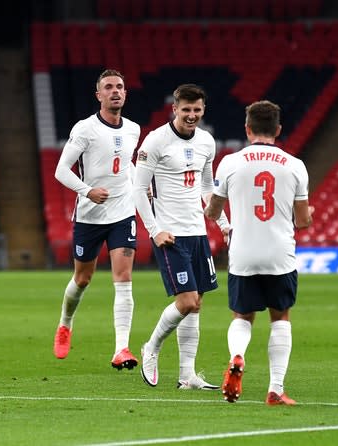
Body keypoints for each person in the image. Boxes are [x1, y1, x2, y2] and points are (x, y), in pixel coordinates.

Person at [204, 100, 313, 406]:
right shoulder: (294, 165)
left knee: (242, 315)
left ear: (247, 129)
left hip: (243, 253)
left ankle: (237, 356)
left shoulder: (230, 163)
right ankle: (275, 389)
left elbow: (212, 210)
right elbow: (303, 221)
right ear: (278, 130)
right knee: (280, 317)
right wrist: (307, 215)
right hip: (280, 253)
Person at [133, 83, 230, 390]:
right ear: (174, 109)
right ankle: (152, 346)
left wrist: (223, 224)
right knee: (186, 301)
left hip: (197, 232)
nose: (191, 115)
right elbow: (138, 189)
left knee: (196, 303)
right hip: (170, 234)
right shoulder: (155, 141)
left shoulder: (206, 141)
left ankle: (187, 376)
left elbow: (206, 188)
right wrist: (154, 230)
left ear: (203, 110)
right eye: (185, 110)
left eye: (196, 110)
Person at [52, 69, 141, 370]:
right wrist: (87, 191)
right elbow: (61, 170)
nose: (115, 91)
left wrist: (142, 189)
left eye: (120, 86)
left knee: (124, 278)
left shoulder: (133, 129)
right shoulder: (85, 129)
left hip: (123, 212)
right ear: (99, 95)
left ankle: (122, 349)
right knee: (83, 278)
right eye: (109, 87)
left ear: (125, 93)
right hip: (90, 215)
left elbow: (127, 164)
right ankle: (65, 324)